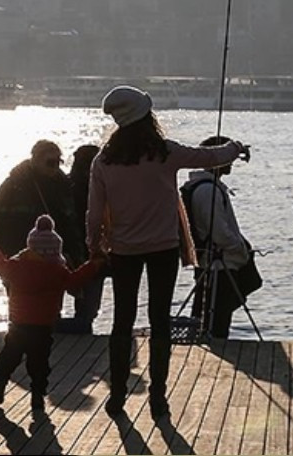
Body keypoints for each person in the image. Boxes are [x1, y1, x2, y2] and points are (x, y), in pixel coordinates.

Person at [87, 85, 248, 419]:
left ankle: (117, 396)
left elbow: (94, 212)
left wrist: (93, 246)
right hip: (163, 248)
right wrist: (236, 147)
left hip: (123, 251)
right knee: (160, 321)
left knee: (122, 321)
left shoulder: (103, 161)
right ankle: (158, 397)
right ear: (147, 117)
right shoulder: (165, 153)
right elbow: (211, 157)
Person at [0, 215, 103, 411]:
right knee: (39, 364)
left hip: (18, 325)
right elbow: (76, 280)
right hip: (43, 327)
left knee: (9, 356)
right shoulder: (57, 272)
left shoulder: (16, 267)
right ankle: (37, 396)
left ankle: (0, 382)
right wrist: (94, 263)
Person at [184, 135, 256, 338]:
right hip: (217, 264)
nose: (231, 161)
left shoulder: (205, 187)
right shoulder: (207, 190)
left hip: (212, 262)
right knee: (215, 319)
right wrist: (240, 248)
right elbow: (219, 232)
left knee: (209, 315)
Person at [0, 140, 78, 261]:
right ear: (36, 160)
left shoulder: (62, 185)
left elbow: (70, 223)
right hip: (20, 255)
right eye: (50, 163)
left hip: (55, 256)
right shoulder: (14, 184)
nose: (55, 167)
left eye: (58, 162)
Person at [60, 144, 105, 335]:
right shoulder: (100, 188)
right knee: (88, 307)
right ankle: (84, 330)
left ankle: (61, 332)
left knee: (56, 301)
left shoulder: (63, 186)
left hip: (65, 252)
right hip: (90, 252)